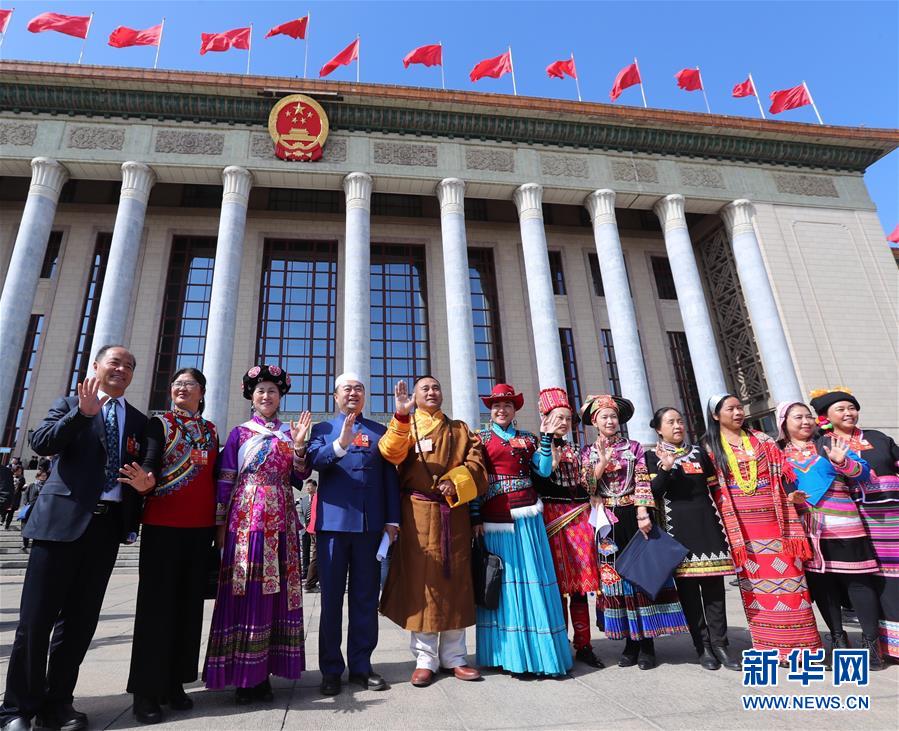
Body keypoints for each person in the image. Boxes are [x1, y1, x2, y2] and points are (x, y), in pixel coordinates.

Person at [0, 345, 158, 731]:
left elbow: (145, 475)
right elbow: (42, 443)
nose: (122, 369)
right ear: (97, 367)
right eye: (115, 362)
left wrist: (144, 486)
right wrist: (81, 415)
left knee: (80, 622)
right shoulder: (70, 403)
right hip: (61, 526)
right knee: (36, 621)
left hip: (105, 530)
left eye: (130, 366)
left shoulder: (138, 421)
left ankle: (58, 703)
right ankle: (17, 708)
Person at [203, 364, 312, 703]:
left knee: (277, 594)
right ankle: (242, 675)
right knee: (245, 591)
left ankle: (264, 672)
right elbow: (225, 480)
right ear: (252, 396)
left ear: (281, 397)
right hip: (246, 520)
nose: (267, 396)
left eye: (273, 391)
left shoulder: (288, 433)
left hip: (281, 521)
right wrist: (220, 526)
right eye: (261, 390)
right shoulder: (239, 433)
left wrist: (298, 447)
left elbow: (299, 477)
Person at [378, 376, 487, 687]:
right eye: (424, 388)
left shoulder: (460, 428)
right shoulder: (407, 424)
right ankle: (425, 657)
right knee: (422, 583)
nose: (431, 392)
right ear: (414, 395)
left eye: (436, 387)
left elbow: (478, 463)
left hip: (454, 511)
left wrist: (457, 480)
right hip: (418, 512)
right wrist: (400, 416)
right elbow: (390, 454)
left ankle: (455, 656)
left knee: (456, 580)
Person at [127, 368, 221, 723]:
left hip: (199, 531)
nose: (182, 389)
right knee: (156, 611)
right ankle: (146, 691)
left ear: (202, 392)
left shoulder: (210, 431)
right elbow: (150, 463)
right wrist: (143, 481)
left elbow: (215, 478)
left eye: (190, 384)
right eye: (177, 384)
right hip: (163, 527)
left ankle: (174, 683)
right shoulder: (159, 424)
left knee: (187, 610)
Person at [702, 394, 821, 660]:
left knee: (792, 582)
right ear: (715, 415)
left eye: (739, 408)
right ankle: (771, 648)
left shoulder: (763, 440)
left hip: (776, 520)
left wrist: (792, 494)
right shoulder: (709, 448)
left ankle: (804, 648)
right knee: (755, 585)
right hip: (740, 527)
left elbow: (784, 473)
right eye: (730, 409)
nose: (738, 413)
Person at [306, 372, 401, 695]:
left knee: (364, 599)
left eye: (359, 389)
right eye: (347, 389)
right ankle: (331, 670)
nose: (353, 393)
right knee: (331, 601)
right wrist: (340, 444)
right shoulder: (322, 430)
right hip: (333, 526)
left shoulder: (379, 431)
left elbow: (390, 478)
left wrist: (392, 519)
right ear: (335, 396)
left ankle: (362, 666)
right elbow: (315, 461)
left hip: (370, 527)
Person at [581, 395, 689, 670]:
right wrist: (601, 464)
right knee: (615, 579)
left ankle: (648, 644)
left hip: (633, 516)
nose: (610, 421)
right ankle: (629, 642)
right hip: (607, 521)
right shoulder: (587, 452)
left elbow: (642, 479)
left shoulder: (634, 447)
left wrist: (643, 512)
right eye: (604, 416)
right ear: (595, 421)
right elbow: (586, 487)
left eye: (613, 416)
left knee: (642, 576)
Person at [471, 383, 572, 677]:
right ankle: (507, 656)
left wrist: (545, 437)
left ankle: (540, 657)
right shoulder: (480, 439)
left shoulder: (528, 439)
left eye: (507, 405)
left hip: (528, 517)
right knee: (502, 585)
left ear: (515, 410)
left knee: (532, 581)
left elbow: (542, 470)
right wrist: (475, 517)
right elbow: (477, 482)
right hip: (496, 520)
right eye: (496, 406)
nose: (501, 410)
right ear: (490, 410)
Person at [776, 400, 883, 669]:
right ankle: (837, 640)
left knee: (858, 583)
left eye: (808, 417)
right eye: (797, 417)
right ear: (784, 424)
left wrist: (843, 461)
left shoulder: (829, 443)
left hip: (844, 525)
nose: (805, 422)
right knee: (823, 587)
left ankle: (872, 645)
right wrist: (790, 497)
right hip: (806, 529)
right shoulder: (778, 454)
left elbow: (865, 475)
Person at [645, 406, 739, 671]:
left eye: (680, 421)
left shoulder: (699, 453)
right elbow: (652, 492)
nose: (677, 426)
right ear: (658, 429)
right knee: (689, 594)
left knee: (714, 591)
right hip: (677, 531)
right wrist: (665, 468)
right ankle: (703, 647)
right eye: (670, 422)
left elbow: (714, 488)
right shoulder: (652, 456)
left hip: (707, 526)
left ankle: (721, 645)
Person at [809, 388, 899, 663]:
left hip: (895, 516)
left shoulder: (878, 437)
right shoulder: (824, 444)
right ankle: (888, 645)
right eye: (841, 410)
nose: (848, 413)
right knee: (879, 580)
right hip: (860, 519)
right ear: (827, 417)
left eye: (851, 408)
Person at [532, 387, 603, 668]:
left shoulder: (578, 451)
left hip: (578, 518)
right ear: (545, 419)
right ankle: (560, 642)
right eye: (557, 417)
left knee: (579, 588)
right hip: (551, 518)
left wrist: (598, 472)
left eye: (567, 418)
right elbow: (540, 479)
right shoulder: (538, 448)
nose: (563, 422)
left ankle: (584, 644)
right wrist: (549, 447)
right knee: (557, 585)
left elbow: (588, 486)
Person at [20, 469, 48, 552]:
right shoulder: (32, 485)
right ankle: (25, 543)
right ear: (38, 476)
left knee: (38, 527)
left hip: (41, 509)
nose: (44, 477)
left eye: (45, 476)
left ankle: (36, 544)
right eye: (42, 476)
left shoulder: (47, 486)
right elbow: (25, 495)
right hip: (30, 508)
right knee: (25, 526)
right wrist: (25, 504)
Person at [298, 479, 316, 579]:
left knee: (315, 552)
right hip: (305, 529)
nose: (308, 488)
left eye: (310, 486)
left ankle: (314, 573)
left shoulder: (318, 498)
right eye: (307, 486)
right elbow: (300, 513)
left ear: (315, 487)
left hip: (315, 529)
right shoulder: (303, 500)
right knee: (305, 552)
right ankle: (305, 571)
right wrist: (303, 523)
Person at [3, 464, 25, 529]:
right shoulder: (9, 476)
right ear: (14, 471)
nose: (19, 472)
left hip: (16, 498)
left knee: (11, 513)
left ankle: (7, 526)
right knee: (5, 510)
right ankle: (2, 518)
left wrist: (24, 487)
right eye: (17, 471)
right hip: (8, 496)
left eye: (20, 471)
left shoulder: (22, 478)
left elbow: (22, 488)